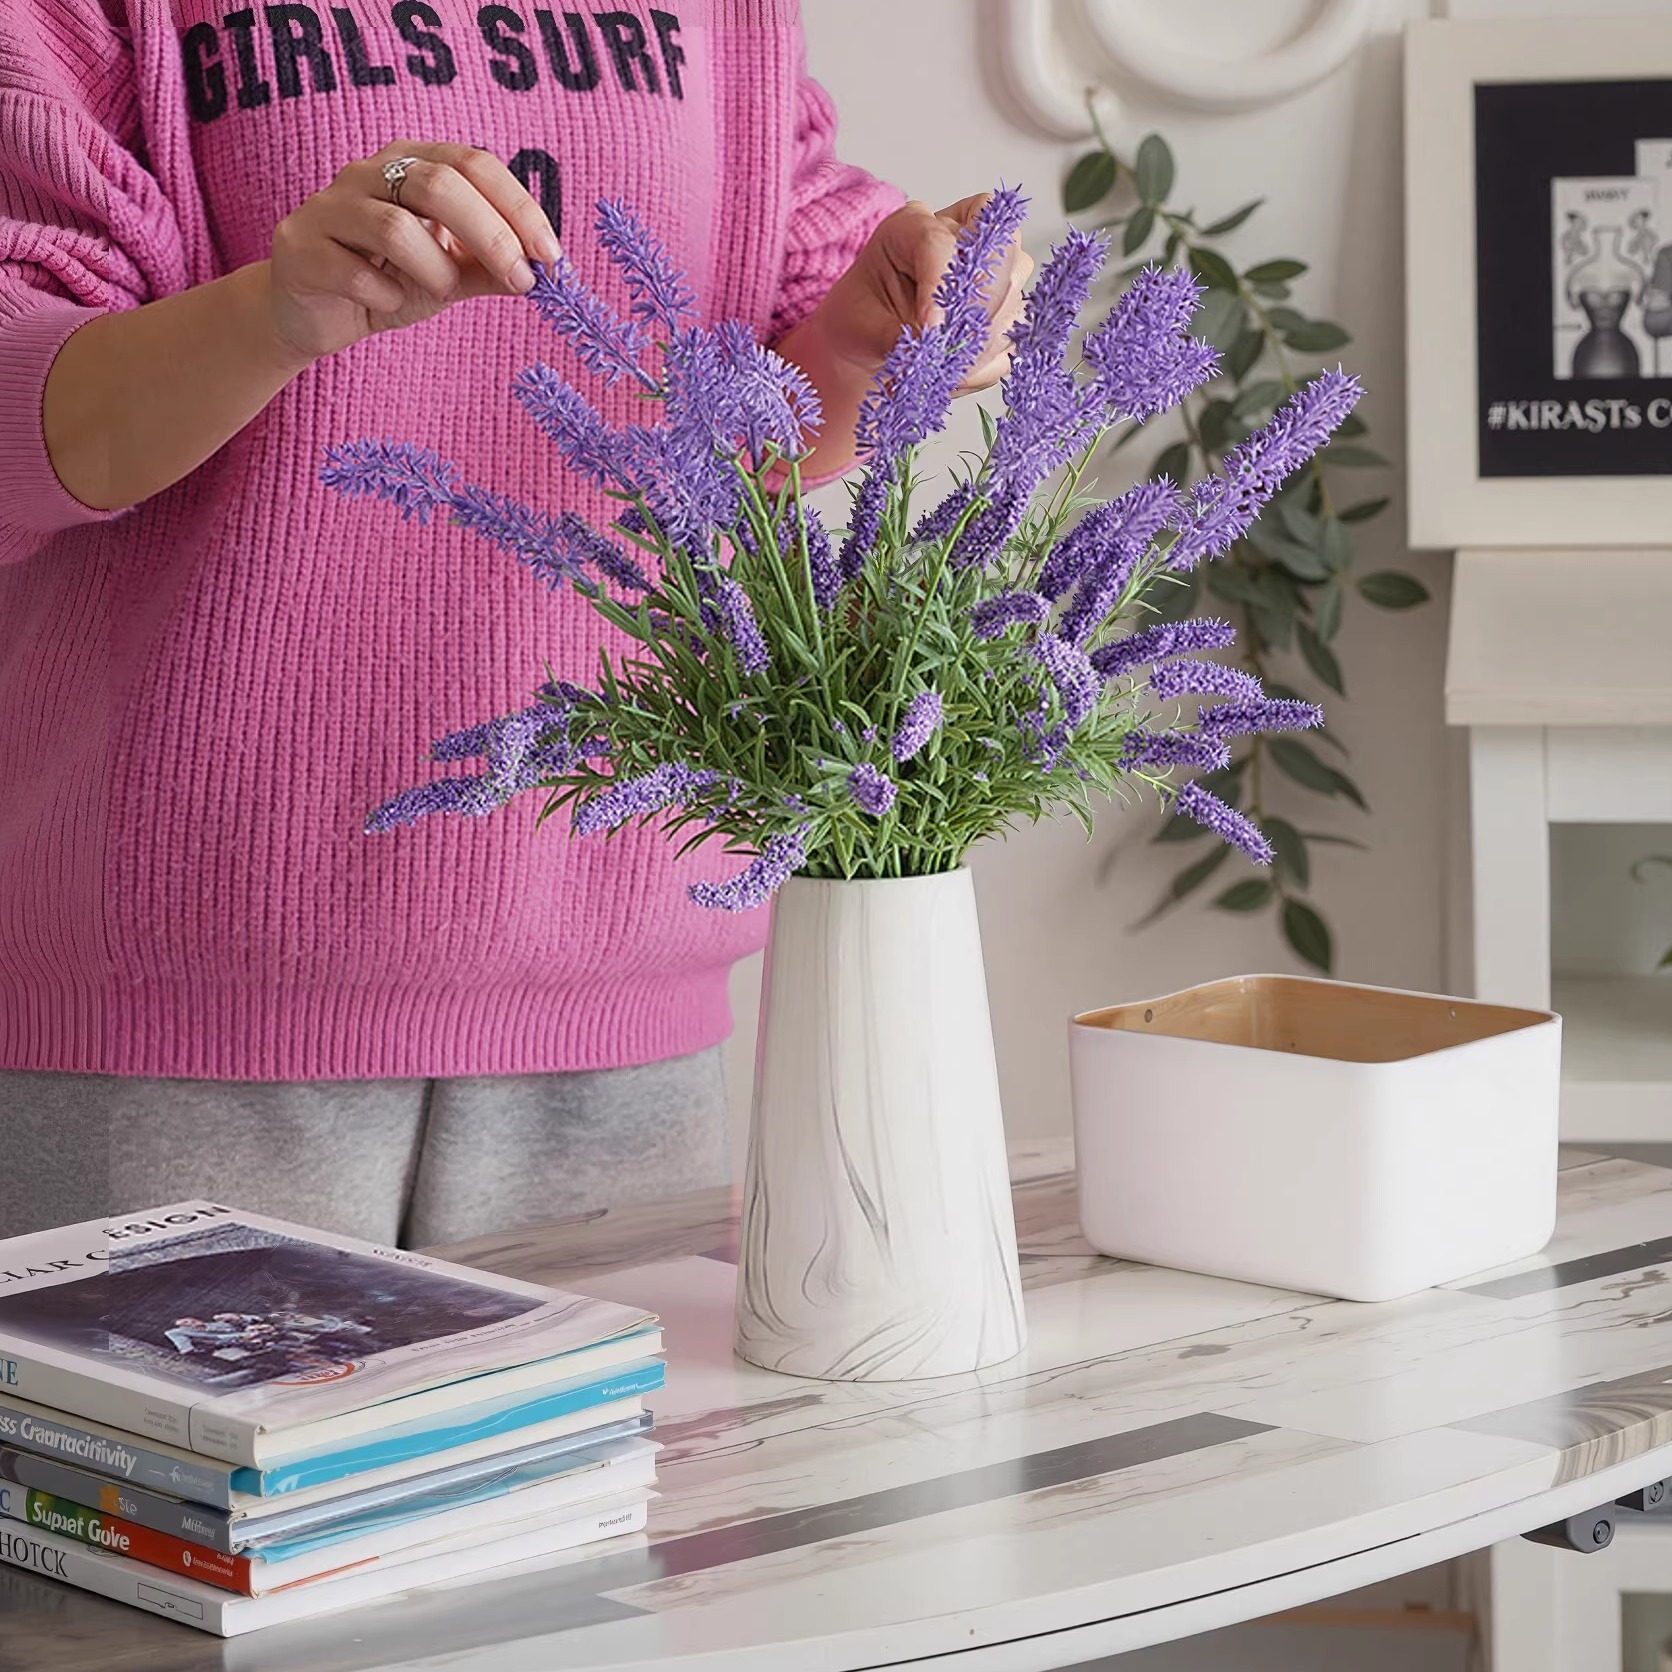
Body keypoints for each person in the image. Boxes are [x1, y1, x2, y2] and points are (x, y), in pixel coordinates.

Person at [0, 2, 1028, 1248]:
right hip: (182, 1004)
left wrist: (875, 328)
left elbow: (745, 429)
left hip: (622, 988)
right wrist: (274, 311)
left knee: (637, 1452)